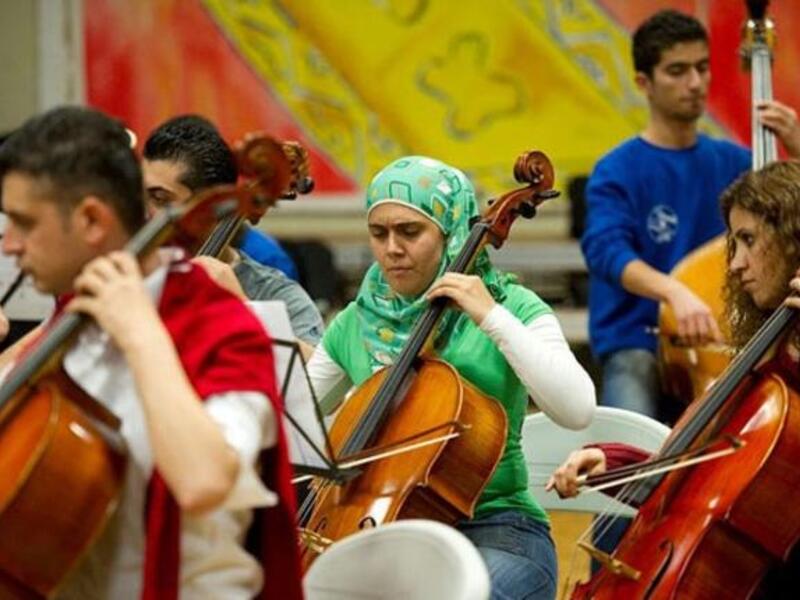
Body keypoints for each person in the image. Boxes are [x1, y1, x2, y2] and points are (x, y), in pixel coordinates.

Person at [0, 106, 302, 599]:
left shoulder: (224, 328)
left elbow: (205, 479)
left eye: (23, 223)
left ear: (92, 220)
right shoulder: (74, 318)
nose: (8, 245)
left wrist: (141, 333)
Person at [305, 156, 596, 599]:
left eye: (410, 232)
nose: (391, 249)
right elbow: (293, 417)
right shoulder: (357, 322)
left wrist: (490, 317)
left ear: (451, 232)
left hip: (499, 531)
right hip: (382, 533)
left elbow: (577, 409)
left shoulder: (512, 306)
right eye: (379, 233)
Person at [551, 159, 800, 597]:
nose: (736, 265)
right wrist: (615, 464)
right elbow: (702, 480)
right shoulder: (765, 358)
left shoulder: (783, 378)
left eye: (748, 241)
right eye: (733, 244)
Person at [582, 9, 800, 420]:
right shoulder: (617, 169)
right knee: (627, 431)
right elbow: (605, 251)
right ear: (644, 83)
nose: (695, 83)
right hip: (640, 341)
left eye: (702, 68)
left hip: (721, 339)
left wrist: (798, 147)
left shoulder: (736, 162)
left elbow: (791, 214)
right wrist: (673, 292)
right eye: (678, 71)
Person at [142, 114, 324, 345]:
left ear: (215, 205)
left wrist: (242, 307)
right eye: (143, 197)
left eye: (161, 200)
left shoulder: (275, 295)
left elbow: (318, 377)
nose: (146, 214)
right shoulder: (131, 276)